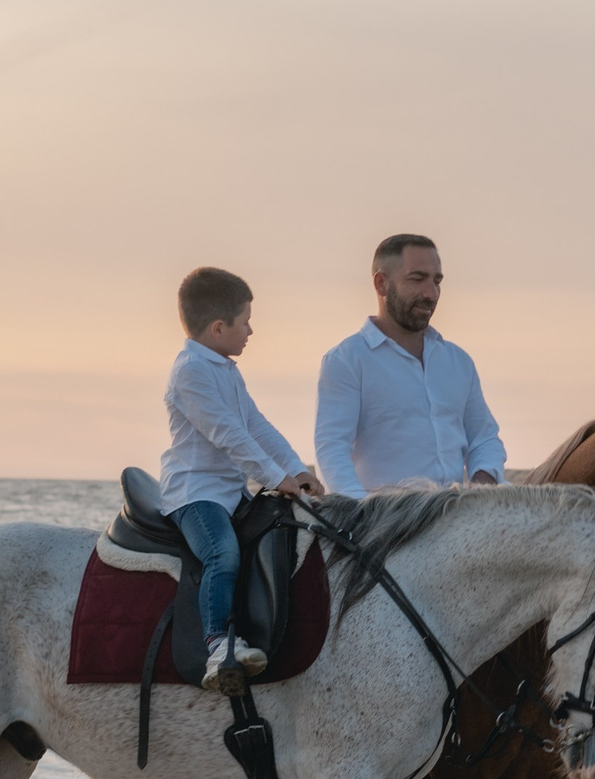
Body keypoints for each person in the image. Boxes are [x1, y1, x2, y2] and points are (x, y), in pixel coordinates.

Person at [160, 266, 319, 690]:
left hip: (231, 492)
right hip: (195, 494)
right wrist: (273, 475)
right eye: (245, 321)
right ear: (217, 327)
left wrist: (296, 469)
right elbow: (228, 435)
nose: (251, 330)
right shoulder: (190, 371)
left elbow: (257, 426)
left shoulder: (226, 369)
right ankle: (218, 645)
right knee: (222, 554)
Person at [314, 233, 506, 496]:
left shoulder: (458, 362)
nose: (431, 293)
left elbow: (484, 438)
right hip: (385, 522)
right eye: (417, 279)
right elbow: (331, 449)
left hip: (455, 516)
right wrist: (361, 515)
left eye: (436, 281)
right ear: (381, 284)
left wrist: (480, 490)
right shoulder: (346, 360)